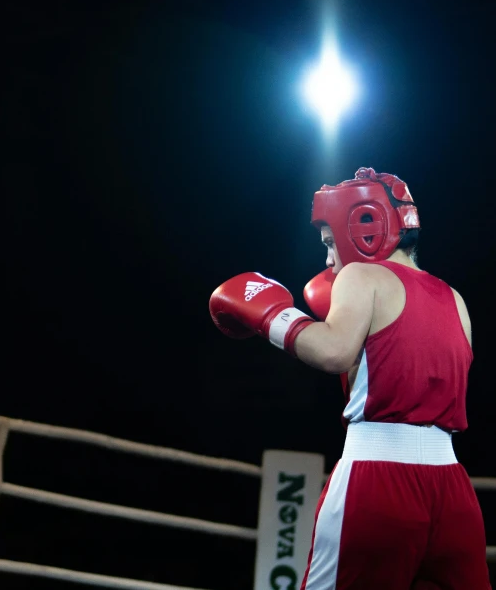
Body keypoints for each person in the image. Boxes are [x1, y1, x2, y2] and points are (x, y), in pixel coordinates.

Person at [209, 167, 491, 590]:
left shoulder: (361, 276)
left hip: (377, 480)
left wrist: (272, 316)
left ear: (364, 228)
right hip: (452, 488)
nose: (328, 260)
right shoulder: (454, 298)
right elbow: (410, 370)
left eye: (328, 243)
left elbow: (333, 350)